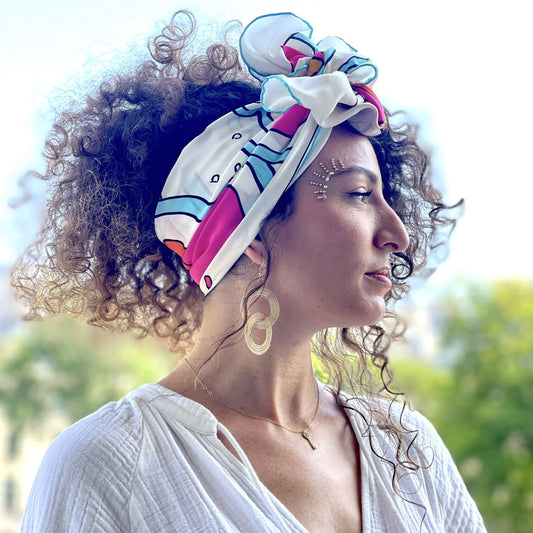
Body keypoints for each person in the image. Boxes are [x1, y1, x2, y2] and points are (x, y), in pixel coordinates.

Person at [11, 11, 486, 533]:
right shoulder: (112, 464)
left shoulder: (407, 450)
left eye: (384, 197)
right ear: (248, 232)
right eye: (357, 194)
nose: (397, 234)